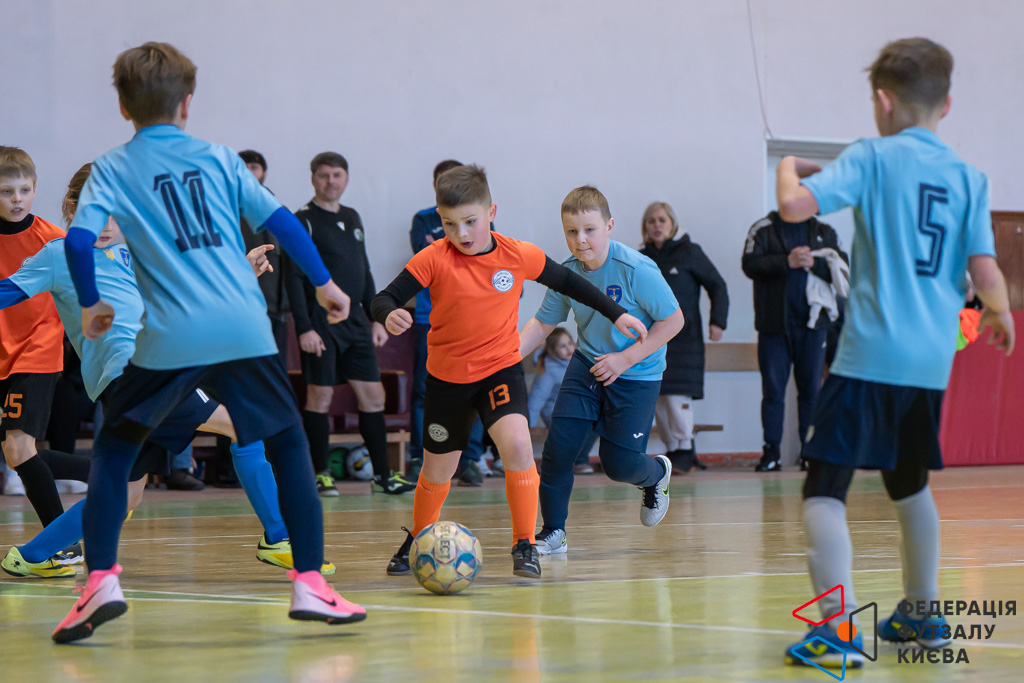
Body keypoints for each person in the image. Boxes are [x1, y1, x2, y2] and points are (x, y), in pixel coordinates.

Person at [55, 42, 365, 643]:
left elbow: (77, 241)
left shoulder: (111, 168)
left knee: (115, 453)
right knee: (288, 443)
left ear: (123, 107)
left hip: (167, 336)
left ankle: (100, 582)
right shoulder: (221, 159)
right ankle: (310, 583)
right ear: (188, 104)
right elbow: (283, 223)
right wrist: (325, 284)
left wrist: (91, 302)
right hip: (241, 327)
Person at [777, 38, 1014, 670]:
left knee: (824, 487)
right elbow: (985, 270)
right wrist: (999, 313)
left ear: (883, 101)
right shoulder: (969, 177)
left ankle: (837, 633)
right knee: (909, 485)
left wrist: (788, 168)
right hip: (930, 365)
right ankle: (922, 613)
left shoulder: (872, 156)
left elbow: (794, 206)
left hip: (869, 356)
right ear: (947, 104)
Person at [371, 166, 648, 578]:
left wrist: (618, 313)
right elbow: (384, 297)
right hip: (447, 381)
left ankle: (524, 543)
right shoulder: (433, 257)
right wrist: (388, 313)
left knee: (518, 446)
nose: (461, 233)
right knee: (436, 470)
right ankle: (419, 536)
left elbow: (572, 283)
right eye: (450, 224)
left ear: (492, 211)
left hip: (498, 372)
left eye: (470, 221)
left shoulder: (517, 254)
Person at [520, 186, 683, 555]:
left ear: (609, 226)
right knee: (558, 450)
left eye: (590, 230)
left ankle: (656, 474)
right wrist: (505, 355)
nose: (581, 240)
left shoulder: (637, 270)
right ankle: (553, 532)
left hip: (637, 373)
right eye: (572, 231)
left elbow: (674, 321)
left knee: (619, 465)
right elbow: (543, 324)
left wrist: (625, 359)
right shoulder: (567, 273)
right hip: (588, 365)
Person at [286, 152, 415, 496]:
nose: (331, 181)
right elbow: (294, 277)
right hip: (321, 321)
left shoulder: (352, 216)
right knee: (320, 396)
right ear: (313, 178)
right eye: (324, 175)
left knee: (373, 395)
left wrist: (376, 318)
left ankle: (383, 477)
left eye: (337, 175)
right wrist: (305, 327)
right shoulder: (303, 220)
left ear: (346, 178)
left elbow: (364, 269)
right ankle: (320, 474)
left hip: (356, 321)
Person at [0, 146, 92, 561]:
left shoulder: (54, 240)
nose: (16, 199)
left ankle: (64, 543)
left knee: (19, 448)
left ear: (35, 190)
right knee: (17, 454)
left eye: (24, 190)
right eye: (6, 192)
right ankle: (104, 470)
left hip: (35, 352)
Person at [742, 203, 847, 471]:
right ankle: (771, 454)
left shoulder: (825, 231)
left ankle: (810, 452)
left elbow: (844, 268)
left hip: (813, 327)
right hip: (773, 327)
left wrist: (815, 263)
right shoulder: (763, 229)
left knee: (811, 391)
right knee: (773, 392)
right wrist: (786, 261)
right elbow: (749, 264)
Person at [408, 159, 494, 484]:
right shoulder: (423, 219)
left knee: (477, 390)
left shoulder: (481, 217)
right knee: (424, 391)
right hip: (428, 318)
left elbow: (491, 260)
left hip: (475, 321)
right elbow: (436, 259)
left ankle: (470, 460)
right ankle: (421, 457)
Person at [640, 202, 729, 473]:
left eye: (662, 220)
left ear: (672, 224)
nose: (657, 225)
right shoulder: (641, 258)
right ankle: (674, 449)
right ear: (645, 227)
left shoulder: (690, 252)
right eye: (651, 221)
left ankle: (685, 449)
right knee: (658, 397)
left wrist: (718, 322)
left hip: (685, 340)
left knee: (677, 398)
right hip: (652, 339)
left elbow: (718, 285)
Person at [238, 149, 290, 364]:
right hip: (242, 308)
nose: (249, 171)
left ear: (264, 173)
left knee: (276, 371)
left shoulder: (279, 211)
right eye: (243, 167)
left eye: (254, 167)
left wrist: (286, 305)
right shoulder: (224, 212)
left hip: (277, 310)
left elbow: (290, 263)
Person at [526, 328, 596, 474]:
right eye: (562, 346)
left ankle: (576, 459)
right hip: (555, 413)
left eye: (570, 343)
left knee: (597, 421)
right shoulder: (549, 370)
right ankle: (576, 461)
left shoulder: (577, 364)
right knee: (583, 424)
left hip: (574, 409)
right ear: (552, 350)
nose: (569, 349)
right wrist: (528, 426)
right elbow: (535, 401)